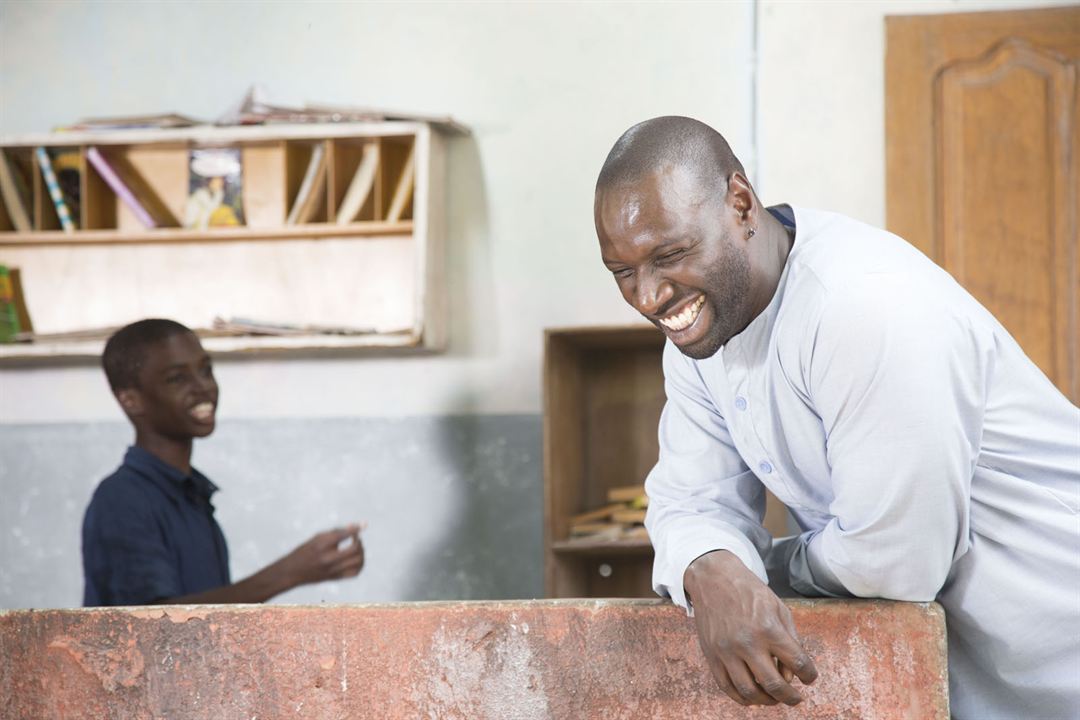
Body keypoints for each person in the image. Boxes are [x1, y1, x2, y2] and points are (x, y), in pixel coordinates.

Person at [592, 116, 1079, 719]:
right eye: (623, 273)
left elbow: (895, 564)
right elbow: (689, 501)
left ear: (740, 204)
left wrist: (757, 570)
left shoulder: (865, 307)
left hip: (1063, 655)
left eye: (670, 255)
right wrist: (711, 566)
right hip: (976, 677)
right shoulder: (702, 333)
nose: (647, 297)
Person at [82, 318, 365, 606]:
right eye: (177, 378)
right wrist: (290, 573)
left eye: (206, 370)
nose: (203, 387)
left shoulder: (191, 496)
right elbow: (148, 627)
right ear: (131, 400)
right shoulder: (122, 500)